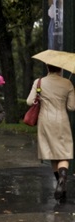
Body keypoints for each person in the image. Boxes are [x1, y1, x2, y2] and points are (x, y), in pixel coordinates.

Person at [26, 64, 75, 203]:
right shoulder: (68, 83)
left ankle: (61, 184)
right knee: (64, 152)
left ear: (48, 67)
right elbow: (72, 107)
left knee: (52, 153)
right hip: (61, 120)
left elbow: (30, 101)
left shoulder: (39, 82)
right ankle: (62, 180)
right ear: (61, 68)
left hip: (45, 121)